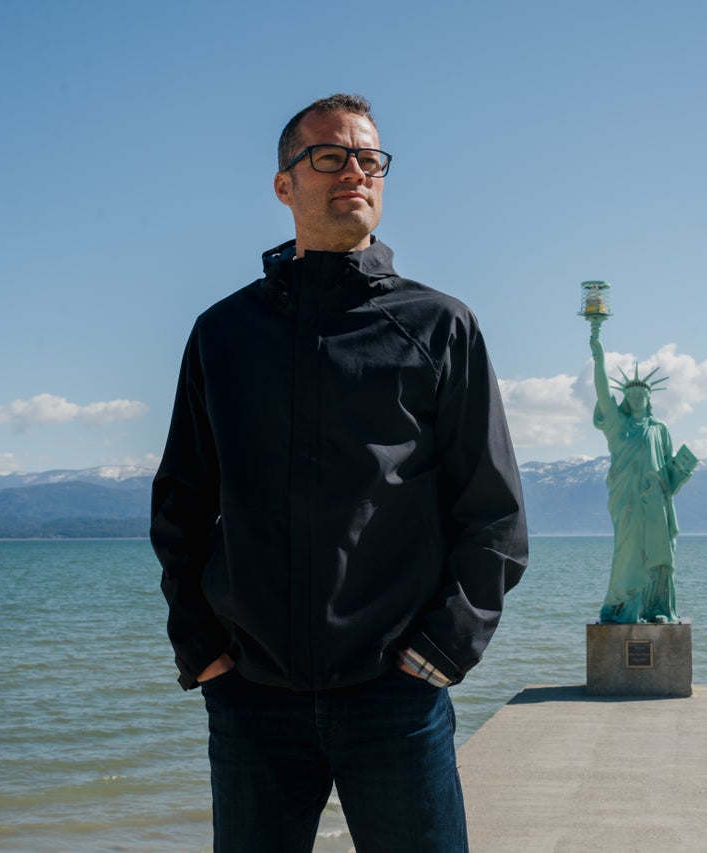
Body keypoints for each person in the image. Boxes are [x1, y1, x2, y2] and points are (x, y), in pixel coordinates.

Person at [150, 93, 528, 852]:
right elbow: (181, 505)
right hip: (251, 697)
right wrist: (203, 651)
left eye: (369, 158)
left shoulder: (439, 326)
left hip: (397, 693)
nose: (354, 170)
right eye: (330, 155)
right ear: (285, 184)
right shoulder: (223, 335)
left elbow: (493, 513)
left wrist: (441, 652)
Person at [589, 324, 694, 623]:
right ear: (626, 399)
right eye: (631, 394)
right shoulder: (617, 426)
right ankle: (622, 608)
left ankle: (657, 608)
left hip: (657, 503)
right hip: (627, 502)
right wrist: (599, 360)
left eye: (641, 395)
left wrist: (682, 471)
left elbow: (668, 471)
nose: (636, 399)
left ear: (649, 399)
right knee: (628, 555)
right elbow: (602, 394)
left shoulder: (660, 429)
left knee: (660, 556)